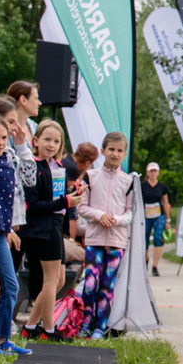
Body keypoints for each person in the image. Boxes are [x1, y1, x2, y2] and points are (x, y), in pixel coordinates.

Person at [20, 120, 84, 342]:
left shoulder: (56, 167)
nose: (52, 144)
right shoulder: (34, 167)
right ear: (35, 141)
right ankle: (48, 330)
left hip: (55, 228)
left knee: (56, 281)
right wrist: (66, 201)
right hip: (41, 230)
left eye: (56, 141)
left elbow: (57, 198)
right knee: (50, 280)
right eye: (47, 139)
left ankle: (30, 326)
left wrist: (72, 192)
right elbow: (35, 205)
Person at [76, 132, 133, 339]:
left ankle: (101, 326)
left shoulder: (128, 181)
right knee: (90, 283)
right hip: (94, 239)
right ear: (103, 151)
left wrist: (116, 220)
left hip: (117, 241)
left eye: (119, 151)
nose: (115, 154)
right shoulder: (90, 177)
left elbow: (131, 212)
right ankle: (85, 323)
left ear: (125, 154)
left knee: (107, 285)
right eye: (111, 149)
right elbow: (82, 207)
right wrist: (100, 216)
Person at [0, 114, 31, 355]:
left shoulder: (6, 161)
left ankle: (1, 338)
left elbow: (6, 200)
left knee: (10, 283)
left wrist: (9, 228)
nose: (0, 142)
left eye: (3, 137)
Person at [141, 162, 171, 276]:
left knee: (158, 238)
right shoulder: (142, 185)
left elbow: (165, 203)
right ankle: (145, 258)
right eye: (151, 171)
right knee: (145, 240)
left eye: (155, 171)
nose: (153, 173)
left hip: (159, 215)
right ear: (147, 173)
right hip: (146, 215)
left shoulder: (162, 187)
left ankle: (155, 266)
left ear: (158, 173)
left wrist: (167, 221)